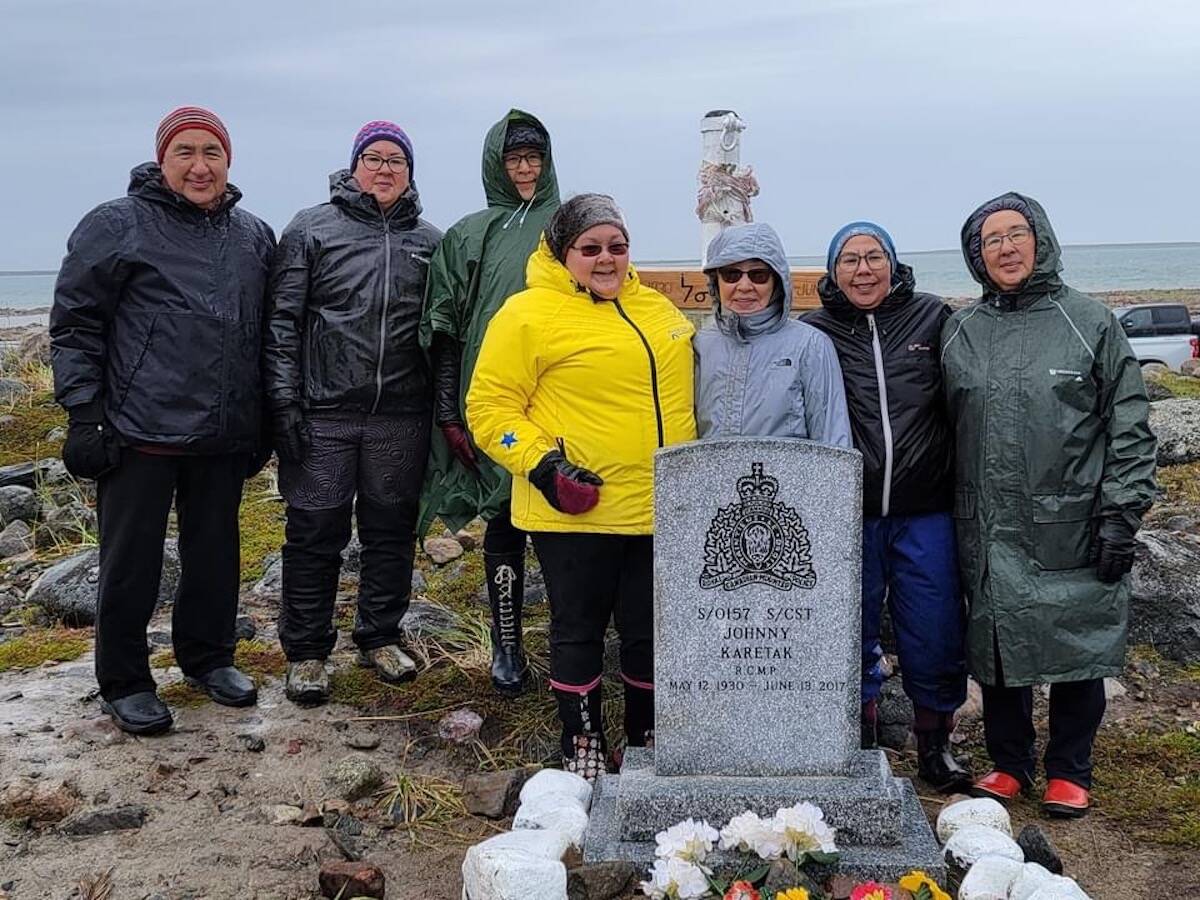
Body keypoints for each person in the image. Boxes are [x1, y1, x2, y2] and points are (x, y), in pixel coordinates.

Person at [50, 106, 276, 734]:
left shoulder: (253, 235)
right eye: (186, 152)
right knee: (131, 561)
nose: (200, 166)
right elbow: (75, 324)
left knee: (214, 554)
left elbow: (263, 333)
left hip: (224, 431)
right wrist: (84, 415)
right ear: (162, 160)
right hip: (138, 427)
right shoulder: (117, 225)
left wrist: (262, 420)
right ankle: (124, 680)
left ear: (228, 161)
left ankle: (208, 658)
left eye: (213, 152)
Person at [466, 194, 696, 778]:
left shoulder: (657, 309)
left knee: (649, 632)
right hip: (575, 509)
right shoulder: (527, 313)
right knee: (579, 629)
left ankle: (644, 734)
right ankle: (583, 741)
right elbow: (489, 408)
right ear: (561, 251)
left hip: (659, 507)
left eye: (617, 247)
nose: (606, 259)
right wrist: (544, 466)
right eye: (590, 248)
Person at [942, 192, 1157, 817]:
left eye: (1015, 234)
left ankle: (1069, 768)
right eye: (990, 241)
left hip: (1071, 517)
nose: (1005, 248)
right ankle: (1009, 763)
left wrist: (1123, 510)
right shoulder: (961, 330)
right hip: (985, 520)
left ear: (1040, 239)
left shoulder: (1088, 321)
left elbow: (1130, 421)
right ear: (976, 256)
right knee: (998, 644)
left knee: (1075, 643)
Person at [264, 121, 442, 704]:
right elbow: (282, 322)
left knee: (390, 532)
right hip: (324, 414)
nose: (385, 168)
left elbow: (441, 336)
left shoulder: (430, 241)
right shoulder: (311, 229)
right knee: (315, 532)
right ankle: (308, 652)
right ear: (353, 166)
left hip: (400, 415)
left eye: (397, 160)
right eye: (374, 157)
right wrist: (283, 402)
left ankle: (380, 636)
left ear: (410, 173)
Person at [806, 221, 970, 792]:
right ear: (832, 272)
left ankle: (934, 743)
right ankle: (859, 731)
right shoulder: (814, 331)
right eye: (848, 260)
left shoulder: (933, 316)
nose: (862, 269)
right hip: (848, 513)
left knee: (932, 623)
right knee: (848, 625)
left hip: (926, 509)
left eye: (873, 256)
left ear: (894, 264)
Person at [419, 110, 560, 697]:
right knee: (502, 517)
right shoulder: (468, 233)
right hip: (493, 402)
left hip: (559, 400)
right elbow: (447, 325)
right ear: (495, 165)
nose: (524, 169)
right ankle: (508, 643)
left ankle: (569, 644)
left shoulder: (569, 223)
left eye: (533, 158)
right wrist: (451, 413)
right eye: (513, 159)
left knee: (560, 521)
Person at [694, 221, 851, 446]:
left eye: (758, 275)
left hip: (789, 480)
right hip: (713, 480)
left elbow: (834, 438)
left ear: (776, 281)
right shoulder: (701, 345)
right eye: (731, 274)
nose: (745, 285)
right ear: (716, 281)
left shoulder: (811, 345)